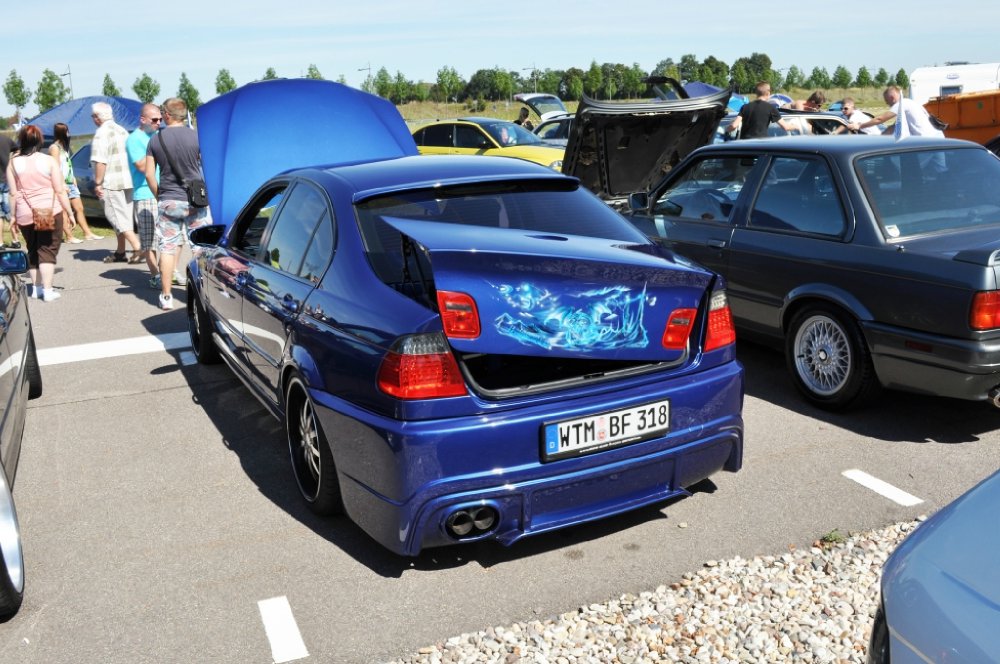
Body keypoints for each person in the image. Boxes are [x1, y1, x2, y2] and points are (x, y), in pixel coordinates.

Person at [145, 97, 212, 311]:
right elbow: (208, 167)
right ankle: (204, 293)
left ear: (166, 114)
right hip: (194, 200)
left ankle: (166, 296)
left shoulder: (155, 140)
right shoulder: (197, 137)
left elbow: (148, 174)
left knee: (167, 247)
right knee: (199, 247)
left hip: (168, 200)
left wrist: (159, 196)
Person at [5, 125, 71, 301]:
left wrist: (12, 217)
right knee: (47, 250)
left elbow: (13, 193)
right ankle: (48, 290)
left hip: (24, 211)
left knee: (32, 249)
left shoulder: (13, 163)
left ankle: (36, 288)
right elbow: (60, 190)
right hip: (47, 211)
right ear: (40, 140)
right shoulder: (49, 160)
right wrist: (70, 213)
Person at [91, 101, 142, 264]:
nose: (93, 119)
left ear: (98, 118)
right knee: (125, 217)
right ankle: (120, 251)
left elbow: (100, 161)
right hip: (128, 180)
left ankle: (138, 247)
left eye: (93, 116)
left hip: (112, 182)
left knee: (117, 218)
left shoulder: (101, 133)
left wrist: (98, 183)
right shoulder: (122, 131)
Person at [126, 103, 162, 287]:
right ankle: (155, 274)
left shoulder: (158, 136)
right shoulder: (134, 139)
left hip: (163, 191)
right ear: (143, 119)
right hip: (145, 193)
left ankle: (168, 272)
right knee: (149, 239)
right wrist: (162, 155)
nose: (158, 123)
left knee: (166, 237)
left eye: (160, 120)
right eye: (154, 120)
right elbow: (141, 166)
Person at [48, 123, 100, 243]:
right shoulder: (54, 148)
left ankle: (87, 233)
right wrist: (61, 184)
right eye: (67, 131)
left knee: (79, 208)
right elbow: (56, 167)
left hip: (71, 181)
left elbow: (67, 165)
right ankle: (69, 236)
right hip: (62, 184)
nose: (68, 134)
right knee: (65, 211)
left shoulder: (63, 147)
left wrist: (73, 178)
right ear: (62, 133)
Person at [850, 85, 945, 139]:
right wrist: (881, 138)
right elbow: (894, 127)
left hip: (926, 141)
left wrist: (859, 126)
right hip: (937, 139)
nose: (888, 105)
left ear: (892, 98)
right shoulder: (911, 103)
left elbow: (880, 119)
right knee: (938, 172)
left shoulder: (902, 104)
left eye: (887, 102)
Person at [725, 82, 799, 139]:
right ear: (768, 93)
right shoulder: (771, 108)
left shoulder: (745, 107)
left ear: (756, 93)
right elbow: (785, 127)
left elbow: (734, 125)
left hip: (745, 146)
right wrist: (796, 126)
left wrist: (725, 130)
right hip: (761, 146)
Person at [0, 132, 15, 246]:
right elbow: (18, 149)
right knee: (9, 211)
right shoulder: (6, 139)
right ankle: (16, 239)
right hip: (6, 179)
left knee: (0, 214)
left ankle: (0, 242)